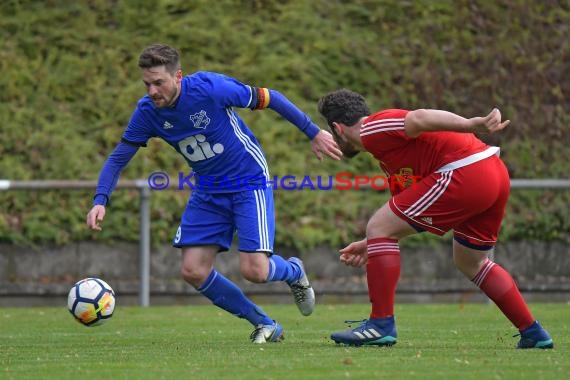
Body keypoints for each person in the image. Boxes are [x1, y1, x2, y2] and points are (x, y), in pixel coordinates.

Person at [86, 43, 342, 343]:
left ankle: (293, 271)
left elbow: (270, 98)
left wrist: (312, 132)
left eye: (159, 83)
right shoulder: (147, 112)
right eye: (147, 84)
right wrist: (100, 200)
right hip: (209, 188)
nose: (153, 91)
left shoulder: (211, 88)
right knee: (193, 270)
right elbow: (118, 157)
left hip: (248, 180)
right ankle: (265, 324)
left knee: (255, 271)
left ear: (178, 76)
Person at [317, 88, 554, 349]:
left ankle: (380, 325)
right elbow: (398, 214)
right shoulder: (387, 156)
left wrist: (470, 124)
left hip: (466, 170)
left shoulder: (371, 128)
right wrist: (371, 241)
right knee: (471, 262)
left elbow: (419, 118)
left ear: (338, 129)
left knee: (379, 226)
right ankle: (533, 332)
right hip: (493, 174)